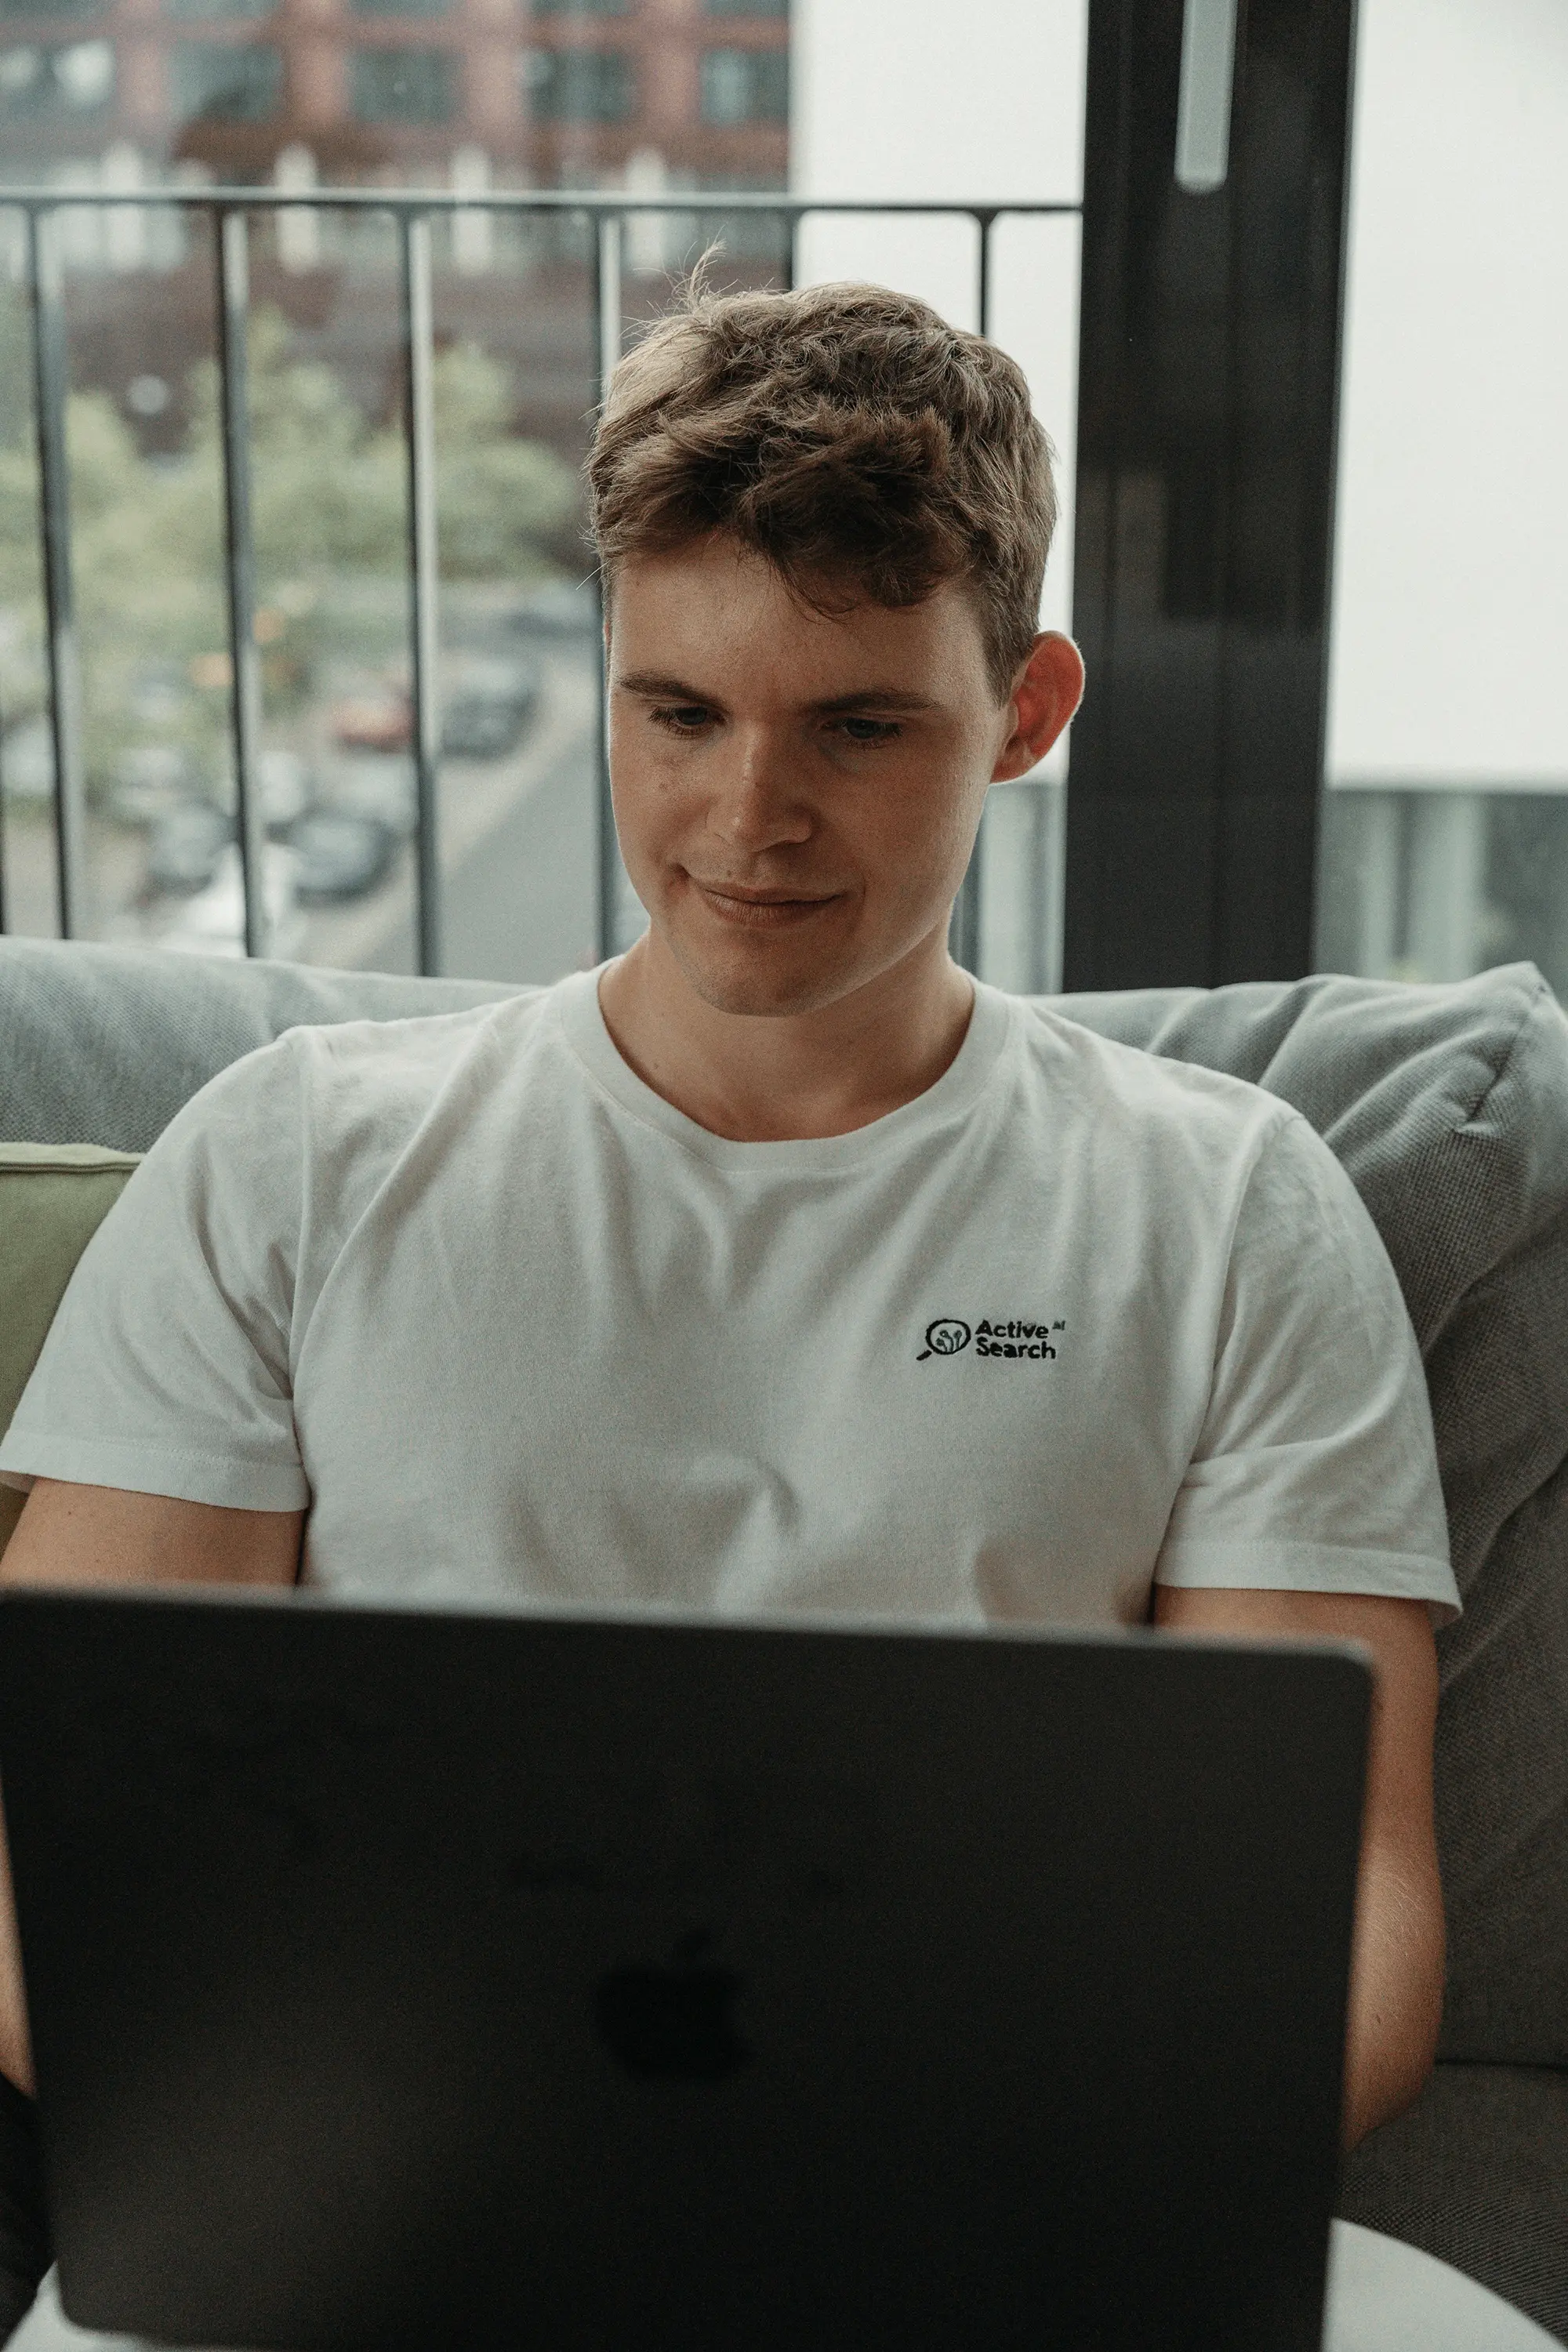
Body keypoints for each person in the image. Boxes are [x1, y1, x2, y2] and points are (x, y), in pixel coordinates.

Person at [0, 285, 1457, 2237]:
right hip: (386, 2212)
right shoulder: (290, 1160)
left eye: (858, 728)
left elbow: (1338, 1905)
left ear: (1025, 713)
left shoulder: (1232, 1209)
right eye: (676, 712)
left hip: (987, 2206)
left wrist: (1022, 2185)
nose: (747, 817)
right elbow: (58, 1858)